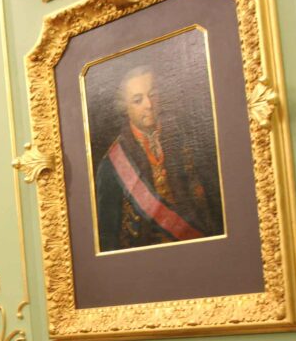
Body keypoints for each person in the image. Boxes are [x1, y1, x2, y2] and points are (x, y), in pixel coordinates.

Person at [94, 65, 224, 253]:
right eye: (138, 100)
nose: (148, 104)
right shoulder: (111, 165)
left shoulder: (186, 138)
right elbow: (109, 242)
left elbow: (216, 205)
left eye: (152, 94)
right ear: (125, 108)